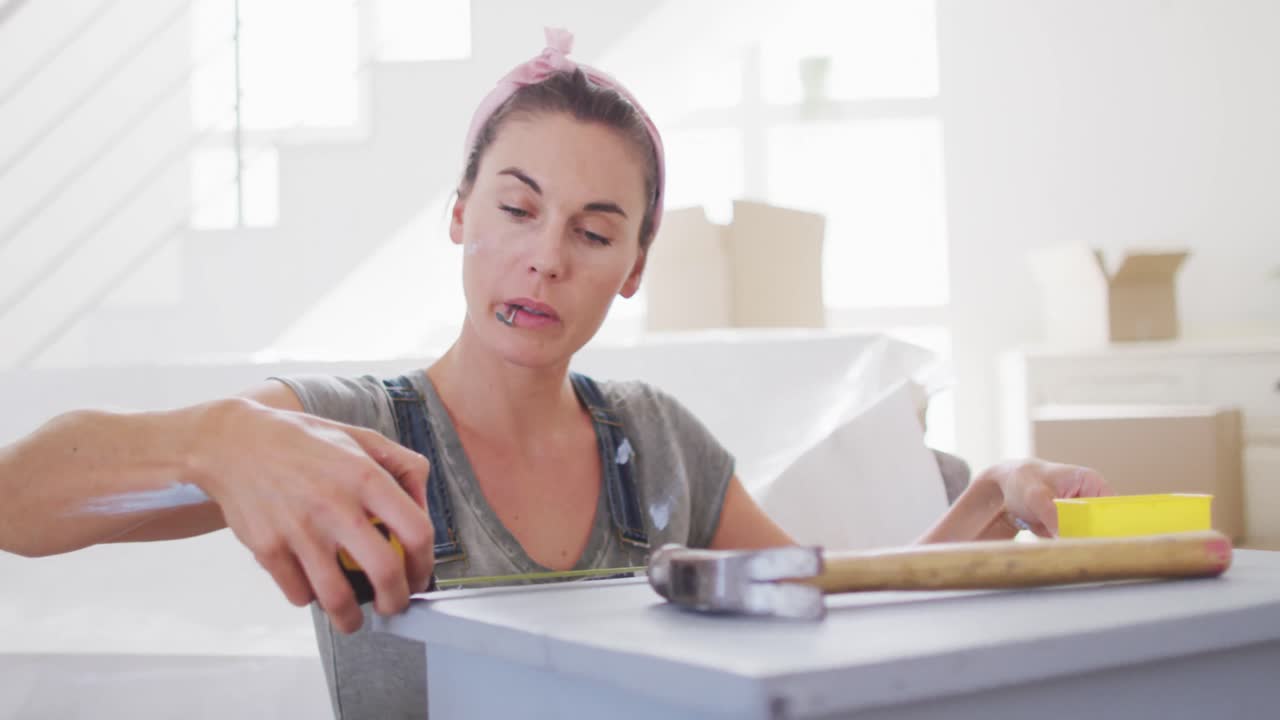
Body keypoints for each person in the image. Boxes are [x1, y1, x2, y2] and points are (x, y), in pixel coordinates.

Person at [0, 28, 1110, 720]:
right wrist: (213, 441)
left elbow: (835, 615)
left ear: (634, 269)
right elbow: (16, 499)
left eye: (594, 230)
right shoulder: (346, 432)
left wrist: (988, 498)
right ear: (458, 214)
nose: (544, 257)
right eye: (517, 208)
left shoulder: (657, 443)